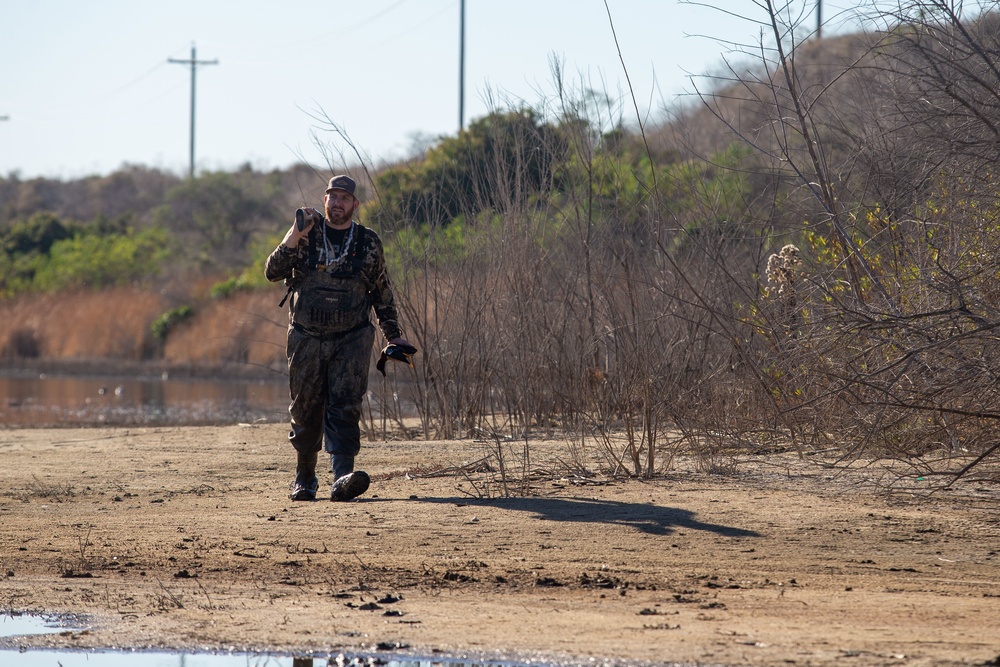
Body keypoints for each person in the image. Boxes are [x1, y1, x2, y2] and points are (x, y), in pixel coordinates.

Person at [265, 174, 413, 502]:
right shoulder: (306, 234)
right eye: (333, 197)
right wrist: (294, 232)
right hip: (306, 336)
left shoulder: (368, 241)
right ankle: (304, 479)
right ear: (325, 199)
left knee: (345, 405)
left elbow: (382, 292)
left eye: (345, 198)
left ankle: (342, 477)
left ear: (355, 205)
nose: (337, 203)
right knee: (305, 407)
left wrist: (394, 336)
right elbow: (272, 271)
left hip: (352, 338)